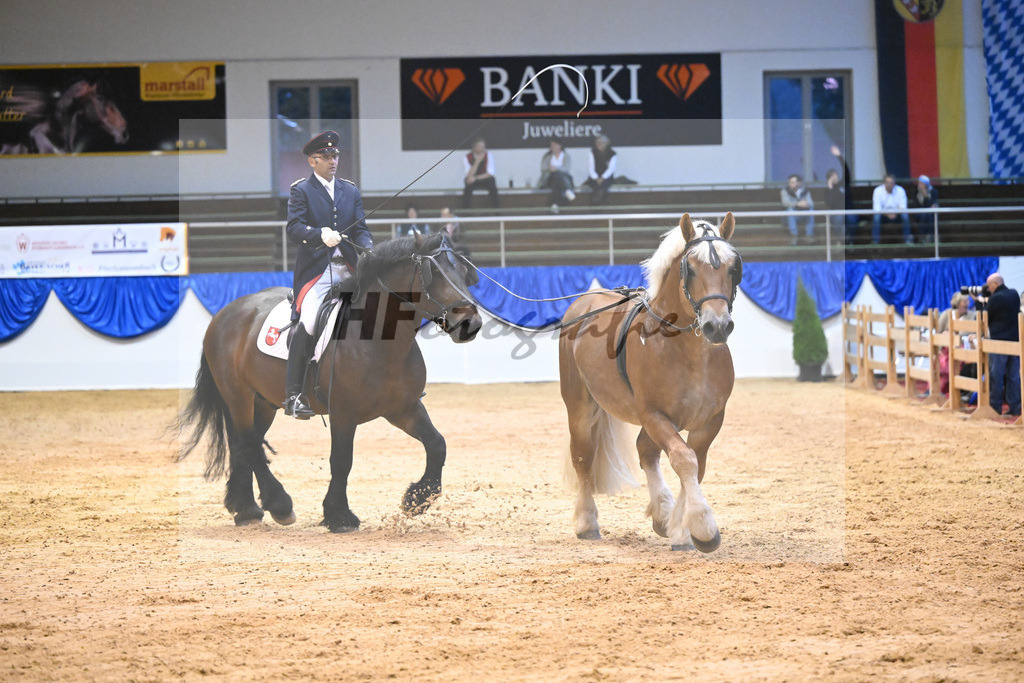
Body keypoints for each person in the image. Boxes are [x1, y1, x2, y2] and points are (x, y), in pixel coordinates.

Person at [283, 130, 373, 419]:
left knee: (378, 310)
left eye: (336, 155)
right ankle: (294, 395)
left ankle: (389, 380)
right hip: (317, 273)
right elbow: (293, 229)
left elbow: (360, 229)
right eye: (327, 156)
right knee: (309, 322)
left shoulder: (351, 190)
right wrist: (319, 234)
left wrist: (368, 247)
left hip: (348, 269)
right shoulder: (301, 190)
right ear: (313, 161)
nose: (334, 160)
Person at [979, 273, 1021, 416]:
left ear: (995, 284)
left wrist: (981, 303)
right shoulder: (1014, 294)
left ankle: (995, 408)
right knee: (1014, 377)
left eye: (989, 286)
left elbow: (986, 317)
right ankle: (1015, 407)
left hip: (998, 342)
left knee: (996, 376)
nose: (988, 289)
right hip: (1015, 342)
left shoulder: (995, 298)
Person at [936, 291, 977, 396]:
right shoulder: (947, 314)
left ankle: (957, 390)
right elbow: (938, 333)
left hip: (965, 349)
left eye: (967, 301)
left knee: (960, 359)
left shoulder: (972, 316)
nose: (966, 304)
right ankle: (941, 389)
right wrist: (944, 335)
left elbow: (975, 333)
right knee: (942, 360)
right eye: (964, 301)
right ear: (957, 303)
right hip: (947, 349)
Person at [828, 144, 859, 243]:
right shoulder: (828, 190)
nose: (834, 177)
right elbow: (830, 203)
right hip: (836, 213)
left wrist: (839, 156)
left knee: (852, 219)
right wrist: (830, 189)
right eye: (831, 176)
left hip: (848, 210)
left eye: (835, 175)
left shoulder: (844, 183)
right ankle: (839, 241)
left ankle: (850, 241)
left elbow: (846, 170)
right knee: (838, 219)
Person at [871, 173, 912, 244]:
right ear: (884, 183)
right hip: (883, 215)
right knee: (876, 217)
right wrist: (887, 214)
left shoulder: (900, 190)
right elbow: (877, 208)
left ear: (894, 183)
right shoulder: (877, 190)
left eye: (892, 183)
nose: (890, 185)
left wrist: (895, 213)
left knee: (905, 215)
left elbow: (903, 207)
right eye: (887, 183)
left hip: (897, 215)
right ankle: (875, 241)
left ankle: (907, 239)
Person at [539, 137, 575, 212]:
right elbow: (543, 168)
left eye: (555, 145)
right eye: (552, 145)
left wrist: (556, 168)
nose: (553, 147)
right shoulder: (548, 156)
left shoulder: (565, 156)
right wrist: (550, 168)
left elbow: (566, 168)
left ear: (560, 145)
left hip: (562, 179)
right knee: (555, 175)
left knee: (556, 179)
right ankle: (567, 190)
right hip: (549, 178)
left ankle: (555, 204)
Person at [462, 139, 499, 209]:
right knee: (467, 183)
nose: (484, 149)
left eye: (484, 147)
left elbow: (490, 173)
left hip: (484, 179)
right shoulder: (467, 157)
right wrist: (477, 162)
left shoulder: (488, 155)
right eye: (481, 147)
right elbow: (469, 175)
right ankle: (466, 211)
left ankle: (497, 210)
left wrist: (476, 178)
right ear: (475, 148)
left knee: (492, 182)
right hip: (472, 180)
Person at [780, 174, 814, 246]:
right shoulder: (785, 191)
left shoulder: (805, 191)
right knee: (790, 211)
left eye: (793, 182)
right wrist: (797, 204)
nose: (791, 184)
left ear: (799, 183)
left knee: (811, 209)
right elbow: (785, 203)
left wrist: (806, 204)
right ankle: (794, 235)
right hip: (790, 217)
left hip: (803, 215)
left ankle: (809, 234)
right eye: (790, 182)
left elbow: (811, 203)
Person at [583, 134, 616, 205]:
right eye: (598, 143)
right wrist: (596, 178)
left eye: (602, 143)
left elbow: (611, 169)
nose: (600, 144)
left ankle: (596, 204)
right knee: (597, 186)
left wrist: (603, 178)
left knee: (602, 187)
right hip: (594, 177)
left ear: (607, 143)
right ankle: (598, 204)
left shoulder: (612, 154)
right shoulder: (592, 152)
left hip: (607, 177)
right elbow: (591, 167)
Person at [911, 175, 939, 243]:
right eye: (919, 183)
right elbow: (916, 205)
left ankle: (931, 236)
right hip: (919, 212)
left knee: (929, 215)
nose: (919, 185)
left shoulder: (933, 191)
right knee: (924, 215)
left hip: (930, 212)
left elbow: (932, 204)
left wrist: (925, 196)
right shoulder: (916, 192)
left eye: (921, 183)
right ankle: (923, 236)